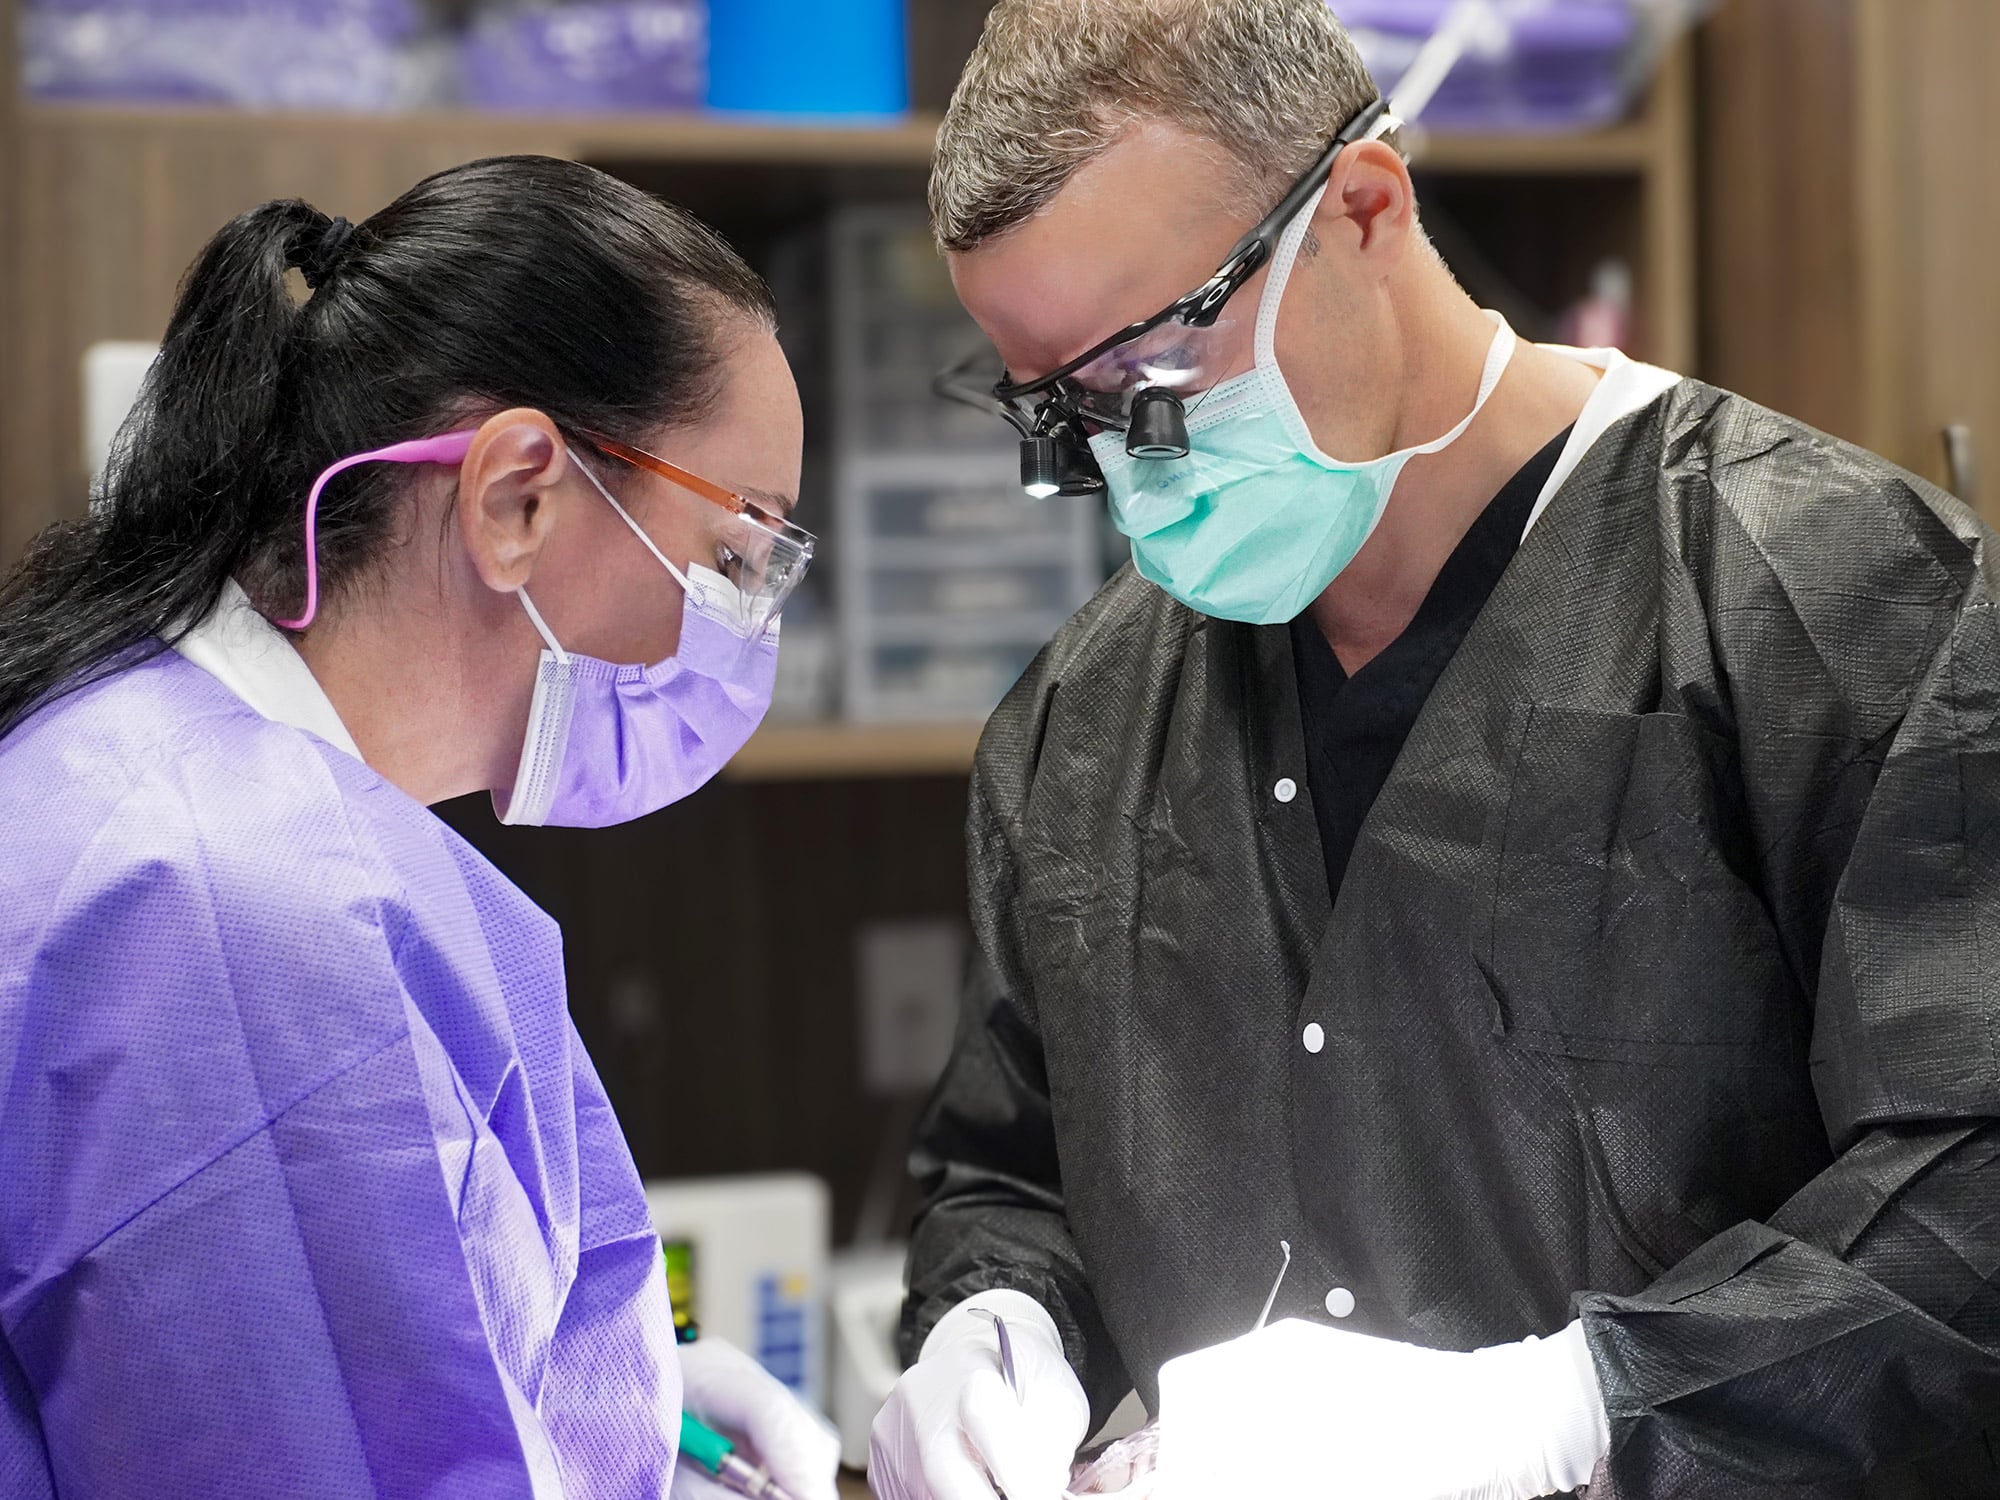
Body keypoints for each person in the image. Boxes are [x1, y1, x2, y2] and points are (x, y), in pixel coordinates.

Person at [868, 4, 2000, 1499]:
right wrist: (1000, 1326)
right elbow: (1014, 1170)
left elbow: (1969, 1188)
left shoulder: (1824, 600)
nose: (1126, 464)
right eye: (1064, 412)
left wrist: (1572, 1411)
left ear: (1362, 208)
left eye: (1150, 373)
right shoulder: (1086, 716)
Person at [0, 156, 838, 1500]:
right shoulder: (240, 907)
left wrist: (618, 1405)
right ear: (517, 493)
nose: (747, 625)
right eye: (741, 551)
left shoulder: (182, 780)